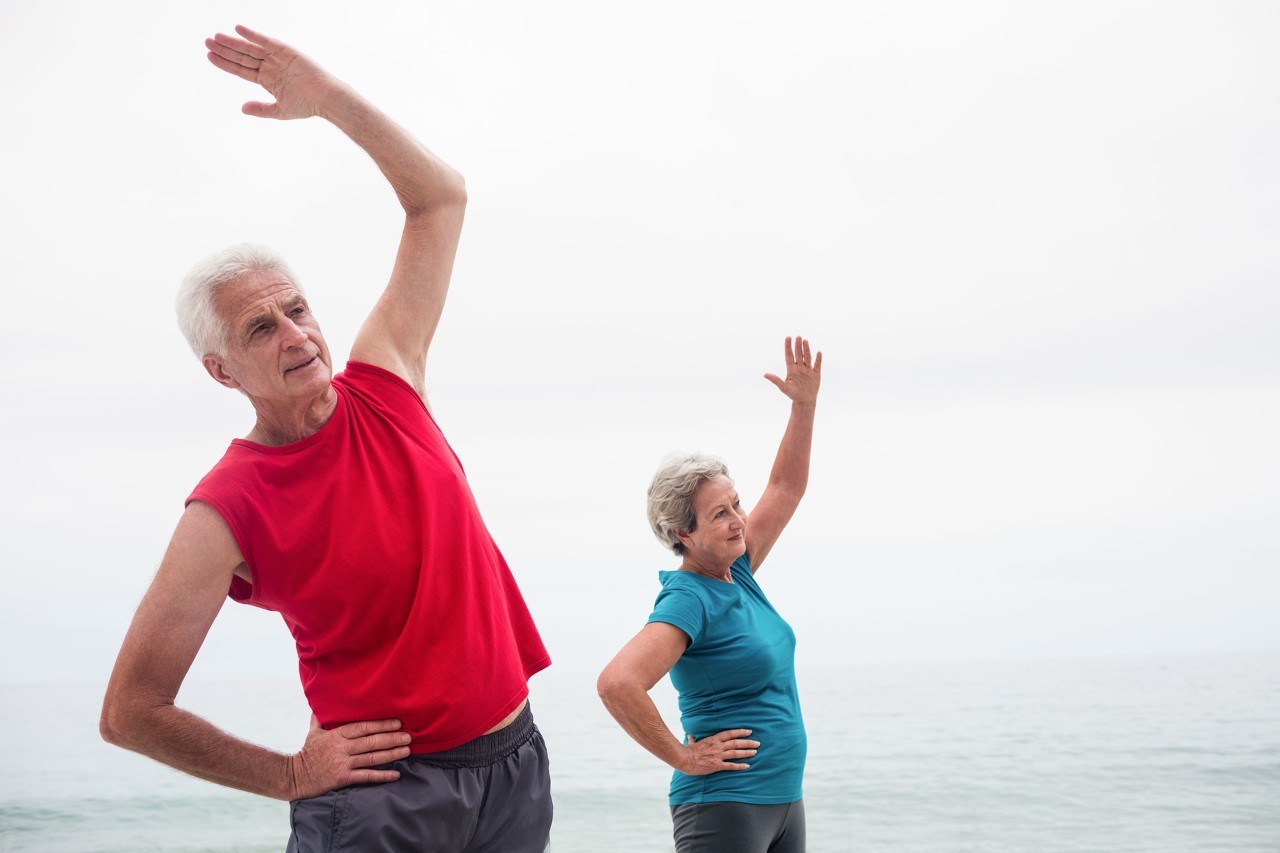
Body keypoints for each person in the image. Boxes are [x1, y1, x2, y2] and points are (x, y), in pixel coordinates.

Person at [99, 26, 553, 852]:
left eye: (297, 309)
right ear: (221, 370)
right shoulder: (226, 507)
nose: (295, 334)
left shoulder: (387, 380)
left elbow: (440, 198)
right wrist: (285, 774)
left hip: (514, 766)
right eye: (260, 327)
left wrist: (328, 102)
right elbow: (131, 710)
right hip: (384, 800)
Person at [597, 336, 821, 853]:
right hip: (724, 807)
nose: (739, 520)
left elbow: (786, 487)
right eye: (720, 514)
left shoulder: (736, 570)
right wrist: (683, 756)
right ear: (683, 534)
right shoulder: (689, 600)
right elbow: (617, 683)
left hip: (783, 803)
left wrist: (803, 407)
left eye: (735, 504)